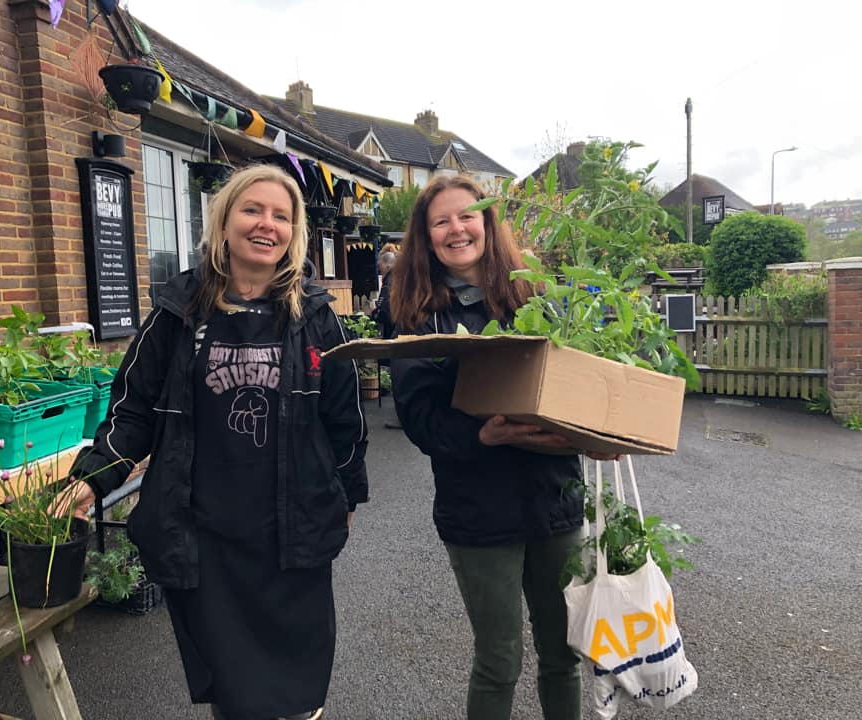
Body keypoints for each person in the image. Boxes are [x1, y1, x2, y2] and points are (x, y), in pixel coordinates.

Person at [59, 164, 368, 720]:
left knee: (296, 688)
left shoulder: (317, 318)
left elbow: (345, 420)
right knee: (232, 690)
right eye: (252, 210)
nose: (266, 224)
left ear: (293, 232)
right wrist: (93, 478)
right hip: (205, 532)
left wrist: (348, 494)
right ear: (224, 222)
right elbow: (133, 409)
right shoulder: (178, 313)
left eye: (281, 216)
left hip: (290, 526)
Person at [388, 175, 617, 720]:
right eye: (440, 221)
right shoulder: (418, 314)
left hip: (554, 502)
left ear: (488, 223)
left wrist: (603, 433)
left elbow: (580, 387)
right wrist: (481, 435)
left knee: (562, 654)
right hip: (478, 513)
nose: (456, 229)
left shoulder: (537, 297)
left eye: (467, 216)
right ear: (426, 236)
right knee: (499, 660)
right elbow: (420, 419)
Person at [370, 250, 397, 339]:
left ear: (388, 267)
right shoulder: (400, 281)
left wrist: (374, 312)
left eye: (380, 266)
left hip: (392, 333)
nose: (379, 270)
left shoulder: (388, 284)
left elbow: (386, 314)